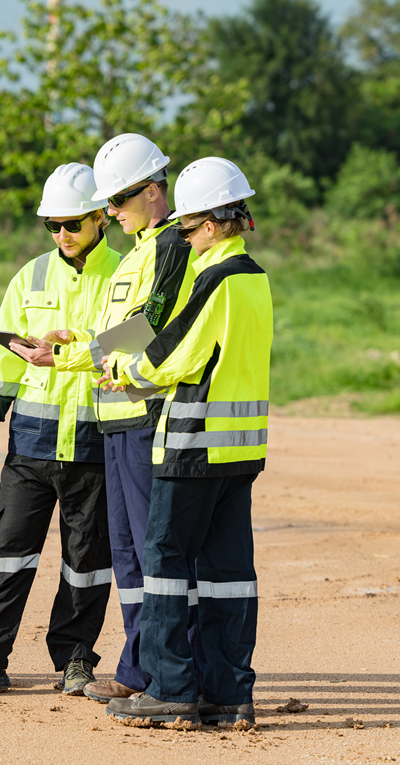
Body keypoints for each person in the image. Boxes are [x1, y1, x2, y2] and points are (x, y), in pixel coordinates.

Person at [100, 156, 272, 729]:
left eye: (191, 228)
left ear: (214, 222)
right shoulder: (255, 278)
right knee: (228, 572)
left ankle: (171, 686)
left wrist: (122, 372)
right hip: (239, 449)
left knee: (166, 562)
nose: (188, 239)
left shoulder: (216, 278)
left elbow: (175, 352)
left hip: (192, 445)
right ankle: (229, 695)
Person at [0, 164, 118, 695]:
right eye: (52, 226)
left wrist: (77, 348)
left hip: (97, 442)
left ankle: (76, 658)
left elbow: (140, 338)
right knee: (9, 554)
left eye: (72, 224)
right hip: (34, 444)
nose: (61, 235)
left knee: (86, 564)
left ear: (100, 218)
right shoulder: (30, 276)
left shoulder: (128, 274)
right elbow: (6, 359)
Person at [47, 134, 204, 702]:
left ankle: (165, 672)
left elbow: (147, 326)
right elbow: (122, 332)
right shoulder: (139, 251)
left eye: (120, 200)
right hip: (115, 418)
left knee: (152, 550)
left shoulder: (172, 246)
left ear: (155, 191)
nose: (110, 212)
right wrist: (80, 342)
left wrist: (67, 356)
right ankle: (140, 667)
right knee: (128, 554)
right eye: (109, 203)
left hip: (146, 418)